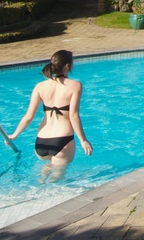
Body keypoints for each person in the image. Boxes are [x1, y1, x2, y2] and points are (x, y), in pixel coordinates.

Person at [10, 49, 93, 182]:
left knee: (47, 167)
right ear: (67, 66)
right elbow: (74, 116)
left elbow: (29, 116)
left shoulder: (40, 86)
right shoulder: (75, 86)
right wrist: (83, 140)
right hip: (62, 140)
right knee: (56, 179)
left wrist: (14, 135)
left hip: (41, 142)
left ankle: (39, 185)